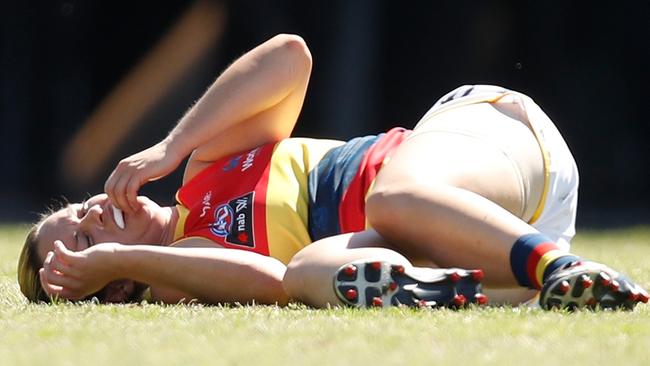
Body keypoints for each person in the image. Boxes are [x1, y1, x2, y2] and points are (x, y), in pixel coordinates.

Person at [18, 34, 648, 310]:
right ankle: (476, 288)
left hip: (490, 147)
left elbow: (289, 58)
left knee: (393, 199)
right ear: (117, 283)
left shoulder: (201, 170)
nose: (92, 214)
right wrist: (127, 265)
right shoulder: (179, 272)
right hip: (485, 238)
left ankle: (560, 270)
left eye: (76, 213)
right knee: (309, 272)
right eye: (84, 242)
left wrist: (171, 147)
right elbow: (271, 281)